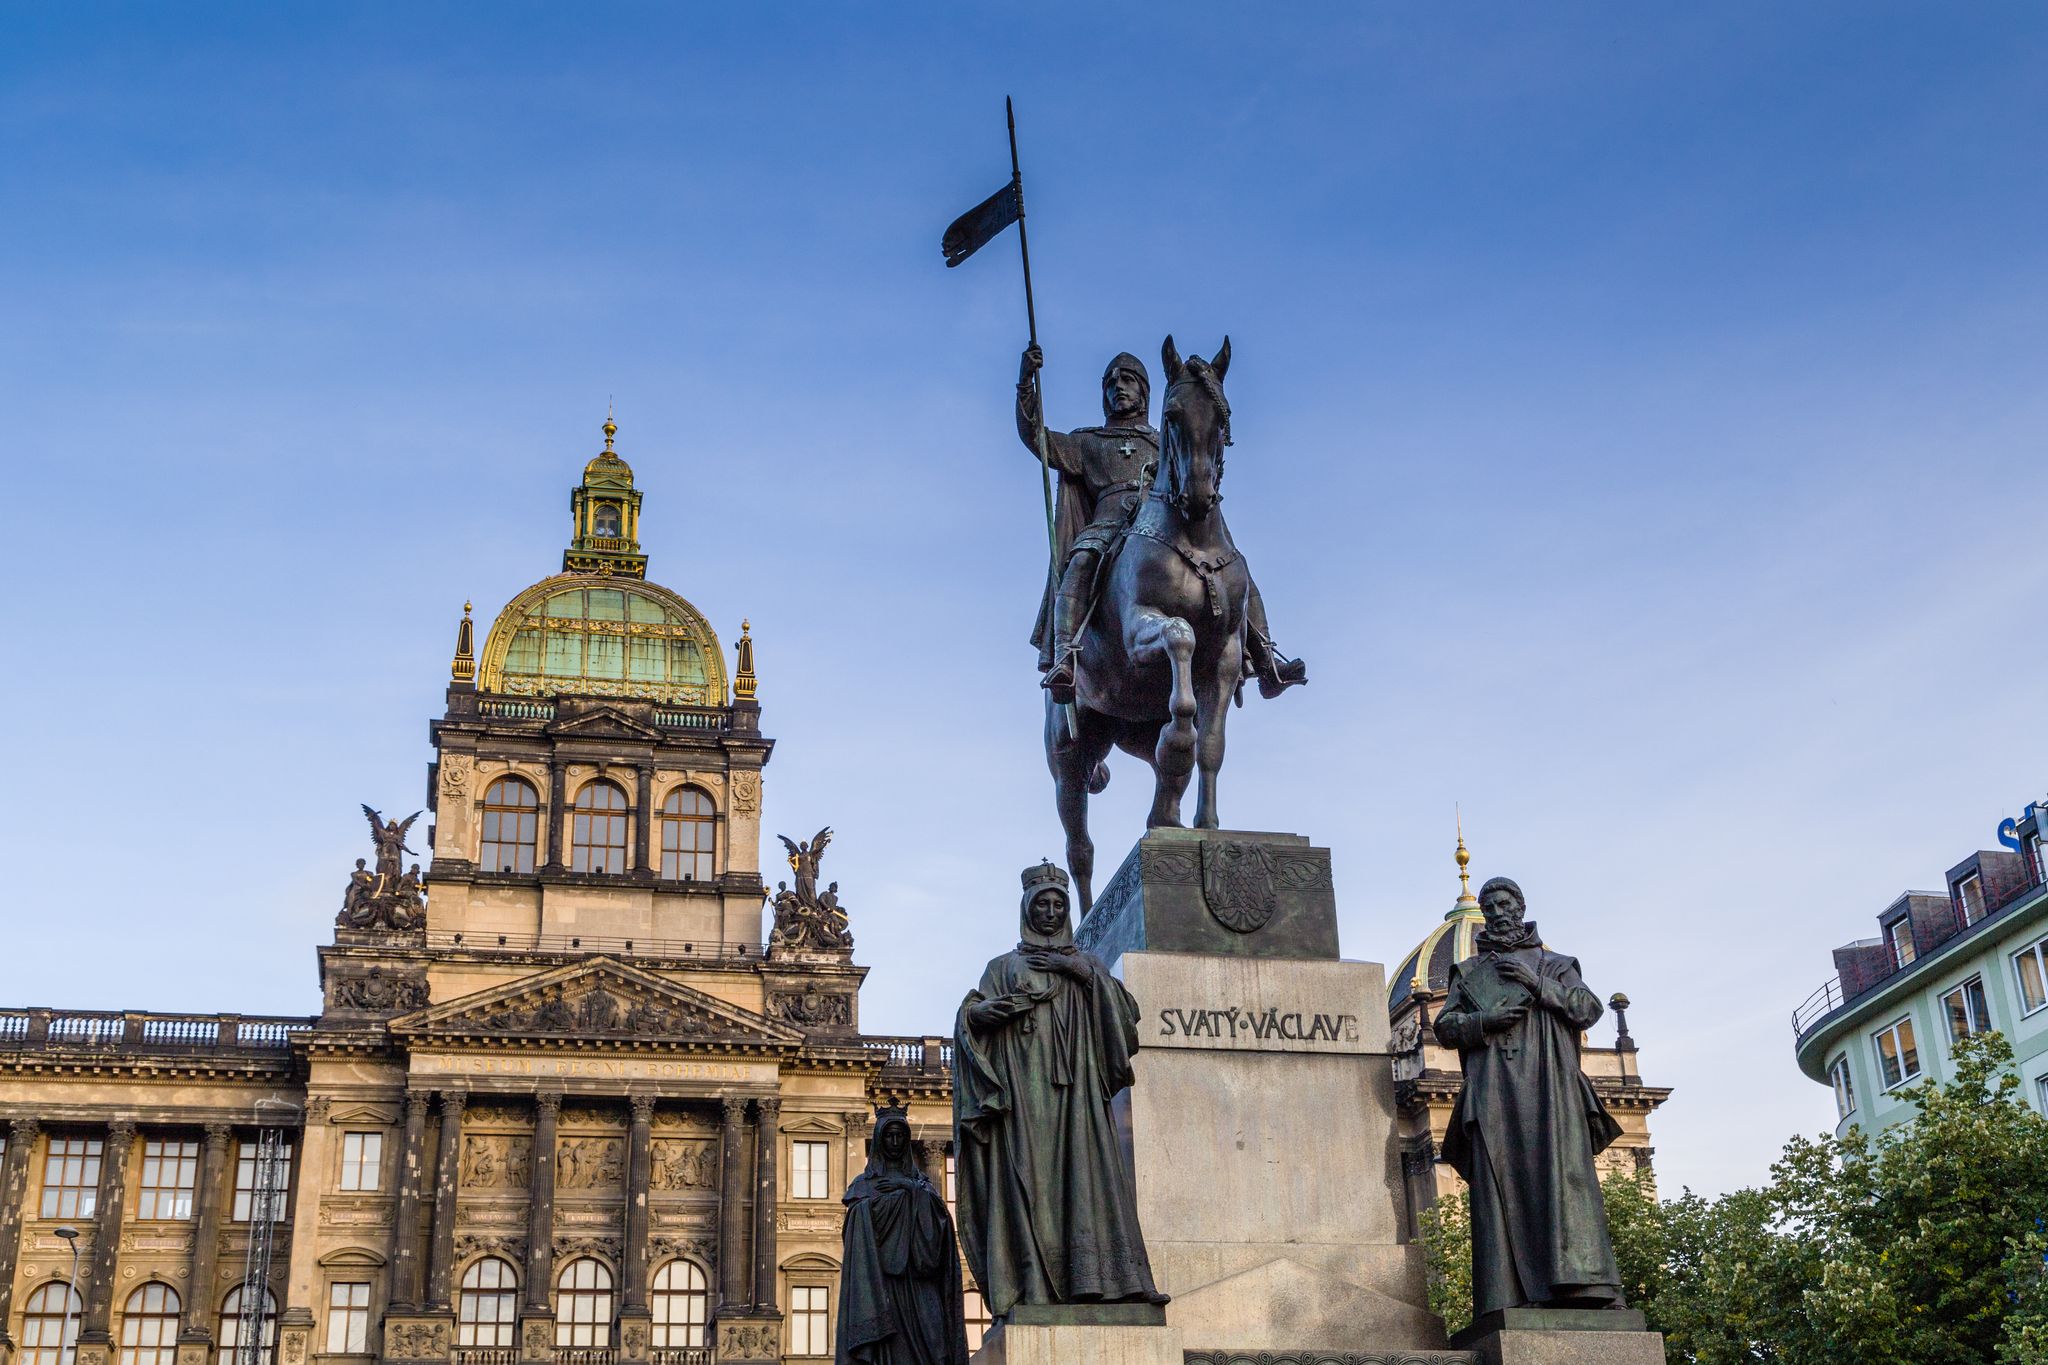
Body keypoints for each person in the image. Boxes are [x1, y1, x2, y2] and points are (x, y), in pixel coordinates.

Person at [1016, 345, 1305, 703]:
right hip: (1109, 524)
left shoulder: (1162, 438)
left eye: (1128, 380)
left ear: (1144, 391)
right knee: (1082, 561)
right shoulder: (1086, 442)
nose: (1118, 387)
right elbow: (1036, 439)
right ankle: (1066, 656)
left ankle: (1265, 660)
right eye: (1111, 382)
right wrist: (1025, 382)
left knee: (1233, 566)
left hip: (1164, 525)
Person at [951, 860, 1165, 1317]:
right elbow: (970, 1017)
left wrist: (1079, 973)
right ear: (1026, 909)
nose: (1049, 912)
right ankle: (1034, 1284)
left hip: (1078, 1097)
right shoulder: (1002, 967)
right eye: (1041, 904)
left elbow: (1126, 1019)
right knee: (1032, 1185)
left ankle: (1105, 1282)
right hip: (1026, 1103)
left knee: (1089, 1181)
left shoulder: (1086, 966)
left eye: (1056, 904)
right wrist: (979, 1016)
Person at [1433, 876, 1626, 1318]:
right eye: (1490, 906)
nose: (1499, 912)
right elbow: (1445, 1027)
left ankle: (1584, 1287)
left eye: (1505, 903)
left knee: (1566, 1183)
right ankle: (1509, 1294)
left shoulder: (1556, 963)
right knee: (1502, 1189)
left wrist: (1537, 984)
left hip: (1551, 1092)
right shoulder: (1469, 974)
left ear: (1519, 907)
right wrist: (1486, 1019)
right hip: (1495, 1094)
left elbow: (1587, 1008)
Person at [836, 1108, 967, 1365]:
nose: (895, 1143)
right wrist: (882, 1206)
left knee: (937, 1348)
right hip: (881, 1286)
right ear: (879, 1140)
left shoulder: (923, 1186)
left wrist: (913, 1193)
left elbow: (939, 1240)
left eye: (899, 1136)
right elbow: (853, 1233)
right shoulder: (862, 1185)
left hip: (919, 1282)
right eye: (889, 1136)